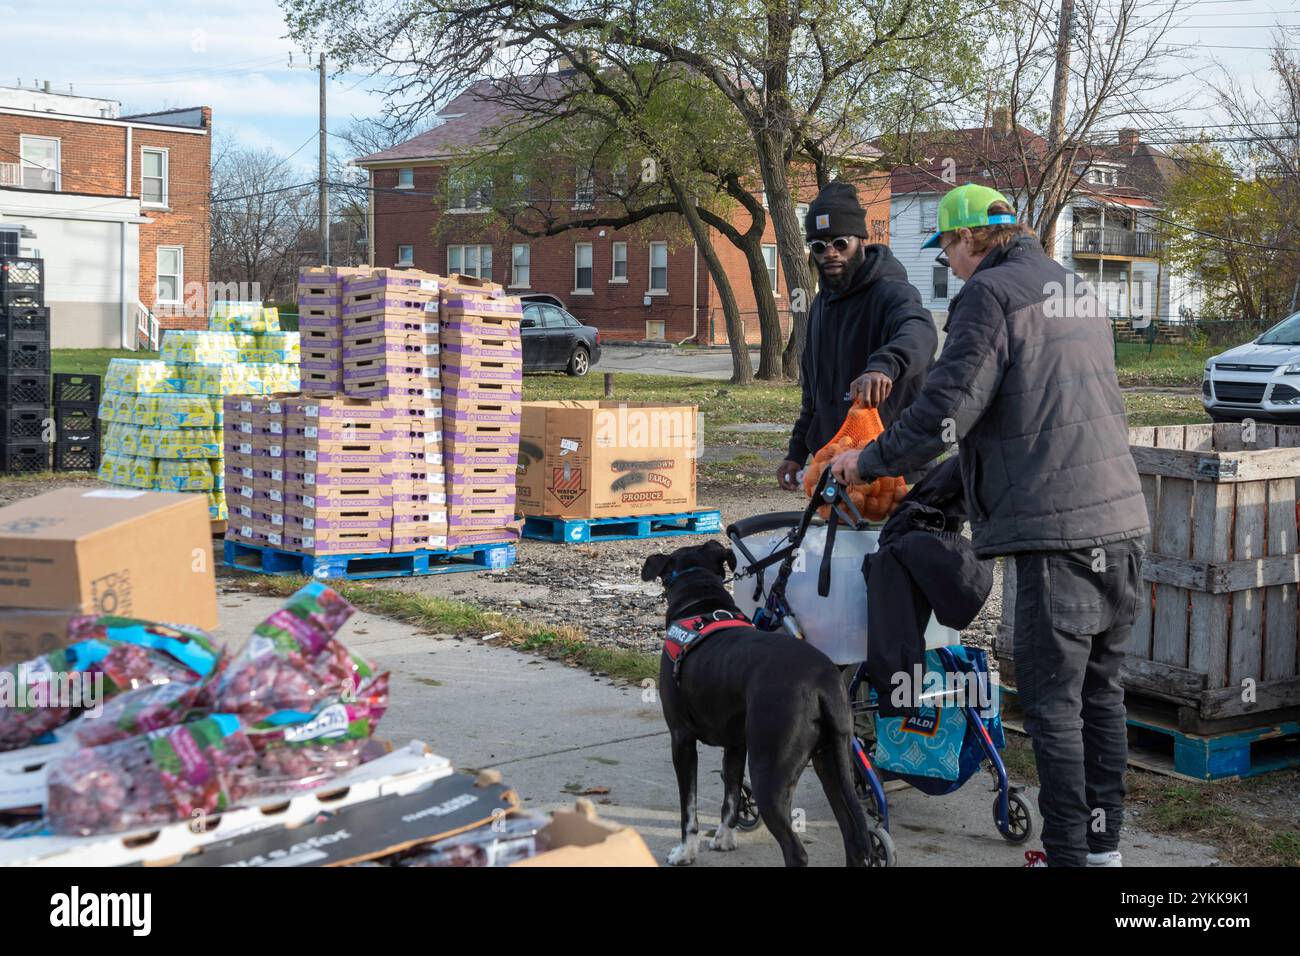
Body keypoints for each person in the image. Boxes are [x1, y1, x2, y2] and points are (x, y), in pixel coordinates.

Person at [829, 183, 1149, 868]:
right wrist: (951, 484)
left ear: (974, 237)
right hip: (1122, 523)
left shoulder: (992, 295)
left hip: (1057, 536)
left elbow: (951, 405)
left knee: (1052, 705)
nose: (947, 264)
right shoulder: (1073, 288)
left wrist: (870, 459)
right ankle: (1102, 851)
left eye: (946, 248)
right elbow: (1036, 412)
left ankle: (1066, 855)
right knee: (1101, 697)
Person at [777, 181, 938, 491]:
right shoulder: (821, 304)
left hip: (897, 470)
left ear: (861, 241)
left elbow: (919, 331)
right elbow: (813, 393)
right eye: (819, 246)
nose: (830, 254)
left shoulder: (892, 292)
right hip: (838, 470)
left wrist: (884, 366)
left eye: (840, 242)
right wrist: (797, 451)